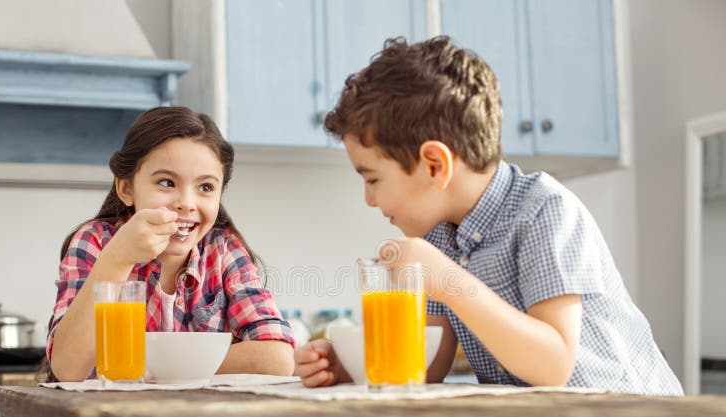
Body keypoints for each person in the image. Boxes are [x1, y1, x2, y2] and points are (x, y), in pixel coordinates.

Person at [294, 36, 683, 396]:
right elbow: (429, 363)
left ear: (434, 165)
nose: (369, 200)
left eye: (373, 179)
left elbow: (553, 365)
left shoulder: (542, 211)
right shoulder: (437, 238)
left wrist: (448, 279)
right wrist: (356, 364)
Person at [47, 107, 295, 382]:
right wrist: (117, 258)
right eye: (166, 182)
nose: (186, 203)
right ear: (126, 189)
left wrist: (158, 368)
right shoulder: (96, 242)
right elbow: (68, 369)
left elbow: (278, 358)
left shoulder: (224, 251)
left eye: (205, 187)